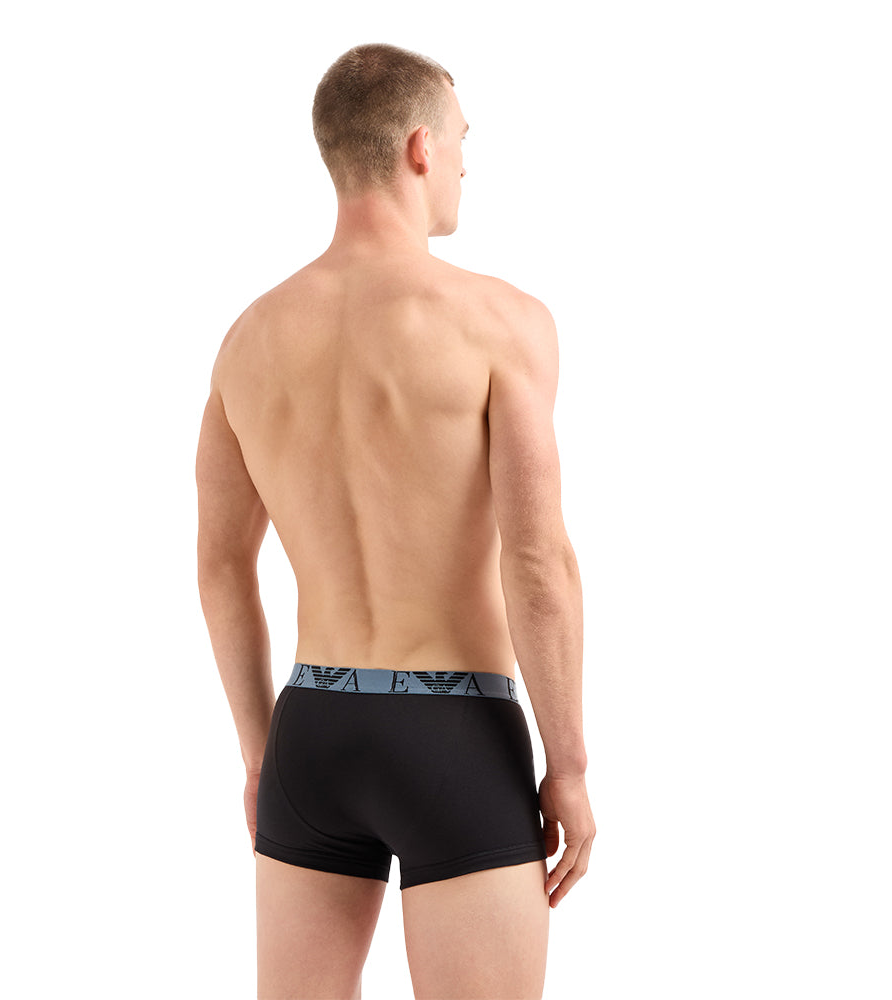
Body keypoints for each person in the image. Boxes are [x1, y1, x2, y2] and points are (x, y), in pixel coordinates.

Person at [195, 42, 595, 1000]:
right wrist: (570, 767)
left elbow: (220, 566)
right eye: (462, 141)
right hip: (455, 735)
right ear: (421, 147)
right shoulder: (499, 322)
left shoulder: (249, 340)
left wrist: (261, 754)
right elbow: (536, 563)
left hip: (313, 729)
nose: (465, 163)